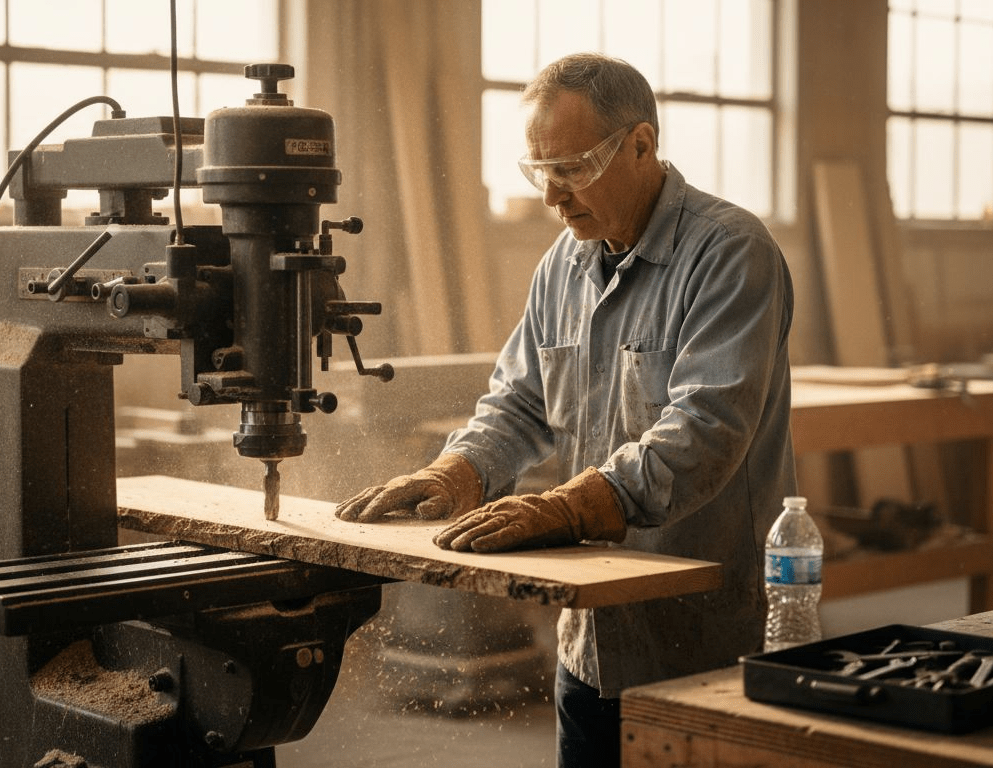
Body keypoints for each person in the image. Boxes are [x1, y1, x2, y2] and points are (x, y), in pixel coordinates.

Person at [336, 52, 797, 767]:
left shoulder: (732, 253)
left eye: (573, 168)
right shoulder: (566, 261)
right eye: (539, 170)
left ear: (641, 145)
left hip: (703, 640)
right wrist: (460, 471)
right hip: (588, 637)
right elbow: (521, 400)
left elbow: (705, 432)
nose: (553, 196)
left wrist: (570, 507)